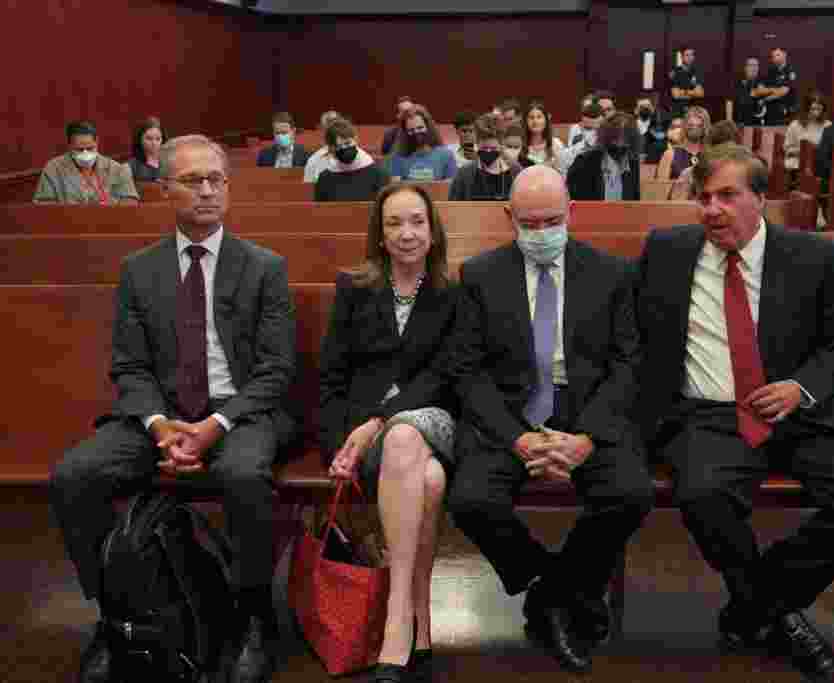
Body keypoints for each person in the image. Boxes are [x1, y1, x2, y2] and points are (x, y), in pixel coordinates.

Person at [634, 143, 834, 682]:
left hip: (801, 413)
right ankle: (778, 614)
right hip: (709, 415)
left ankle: (757, 603)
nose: (710, 209)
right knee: (702, 494)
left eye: (727, 196)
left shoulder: (813, 257)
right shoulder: (667, 250)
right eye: (703, 197)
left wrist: (800, 388)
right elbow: (634, 333)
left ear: (761, 199)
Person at [50, 134, 297, 683]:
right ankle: (117, 616)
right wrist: (161, 426)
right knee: (74, 477)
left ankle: (255, 617)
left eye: (217, 180)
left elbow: (276, 370)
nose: (207, 191)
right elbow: (129, 367)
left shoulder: (264, 267)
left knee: (243, 474)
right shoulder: (140, 270)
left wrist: (214, 426)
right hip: (158, 418)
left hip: (240, 413)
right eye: (192, 180)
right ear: (165, 190)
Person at [447, 165, 653, 674]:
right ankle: (558, 587)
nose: (542, 234)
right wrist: (517, 440)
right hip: (513, 416)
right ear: (508, 217)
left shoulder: (613, 273)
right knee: (471, 500)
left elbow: (629, 364)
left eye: (552, 221)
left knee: (630, 493)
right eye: (530, 224)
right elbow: (468, 372)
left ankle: (552, 598)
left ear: (572, 213)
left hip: (586, 411)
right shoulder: (479, 275)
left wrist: (586, 437)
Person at [320, 183, 459, 683]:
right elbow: (333, 376)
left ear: (432, 229)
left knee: (404, 437)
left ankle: (395, 616)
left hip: (433, 418)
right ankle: (418, 615)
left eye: (417, 222)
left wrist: (379, 421)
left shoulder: (453, 292)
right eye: (395, 223)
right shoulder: (354, 289)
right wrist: (343, 441)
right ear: (379, 235)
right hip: (367, 436)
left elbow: (443, 376)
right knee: (431, 483)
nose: (407, 233)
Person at [34, 120, 139, 205]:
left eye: (90, 148)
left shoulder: (117, 169)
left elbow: (131, 202)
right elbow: (44, 205)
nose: (85, 154)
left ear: (97, 142)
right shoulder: (53, 168)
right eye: (79, 149)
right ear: (69, 146)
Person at [566, 112, 641, 201]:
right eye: (615, 140)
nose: (620, 145)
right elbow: (578, 203)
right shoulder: (584, 162)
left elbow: (634, 203)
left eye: (625, 141)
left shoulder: (633, 163)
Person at [449, 114, 522, 201]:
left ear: (501, 145)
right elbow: (453, 207)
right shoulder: (465, 173)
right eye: (484, 148)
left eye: (493, 148)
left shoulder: (515, 171)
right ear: (477, 144)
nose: (488, 151)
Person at [314, 118, 390, 202]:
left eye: (347, 143)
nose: (344, 148)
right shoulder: (325, 179)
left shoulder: (378, 174)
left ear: (356, 140)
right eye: (338, 146)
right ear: (331, 148)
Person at [384, 106, 457, 182]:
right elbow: (396, 188)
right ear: (405, 133)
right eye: (411, 130)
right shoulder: (398, 157)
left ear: (428, 127)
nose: (416, 132)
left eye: (420, 128)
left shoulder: (446, 155)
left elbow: (450, 187)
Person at [657, 106, 710, 180]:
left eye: (699, 126)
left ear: (705, 128)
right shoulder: (670, 155)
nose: (695, 129)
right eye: (691, 125)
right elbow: (660, 188)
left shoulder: (711, 155)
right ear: (684, 126)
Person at [755, 47, 797, 126]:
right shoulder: (771, 70)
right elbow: (760, 89)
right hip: (770, 112)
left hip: (784, 113)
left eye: (777, 55)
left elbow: (783, 92)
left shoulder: (790, 70)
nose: (775, 58)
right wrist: (774, 90)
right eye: (773, 56)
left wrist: (765, 98)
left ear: (784, 55)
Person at [558, 103, 604, 175]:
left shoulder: (607, 136)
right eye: (586, 128)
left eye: (593, 129)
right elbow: (568, 159)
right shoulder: (576, 129)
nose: (590, 134)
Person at [303, 110, 343, 183]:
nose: (333, 130)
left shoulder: (356, 155)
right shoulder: (313, 161)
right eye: (329, 125)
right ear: (322, 130)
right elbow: (307, 189)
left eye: (336, 125)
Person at [523, 102, 565, 168]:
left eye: (539, 117)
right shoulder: (520, 145)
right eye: (531, 117)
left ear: (546, 120)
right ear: (526, 121)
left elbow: (563, 171)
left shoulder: (556, 144)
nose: (535, 121)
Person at [635, 91, 671, 163]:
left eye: (648, 106)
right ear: (636, 110)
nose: (645, 109)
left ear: (652, 108)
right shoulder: (630, 125)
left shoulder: (660, 125)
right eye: (642, 107)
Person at [127, 116, 166, 183]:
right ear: (140, 139)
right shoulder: (132, 166)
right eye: (149, 138)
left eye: (158, 139)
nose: (154, 143)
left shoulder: (167, 162)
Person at [668, 46, 704, 117]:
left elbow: (700, 93)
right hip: (678, 111)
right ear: (682, 57)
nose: (690, 57)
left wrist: (683, 92)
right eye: (687, 55)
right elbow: (676, 95)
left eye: (692, 55)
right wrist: (693, 93)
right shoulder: (675, 72)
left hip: (694, 110)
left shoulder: (697, 72)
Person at [734, 58, 765, 127]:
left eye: (756, 65)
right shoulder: (738, 84)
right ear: (745, 68)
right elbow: (731, 102)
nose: (754, 68)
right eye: (751, 65)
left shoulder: (764, 83)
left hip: (759, 123)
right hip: (741, 123)